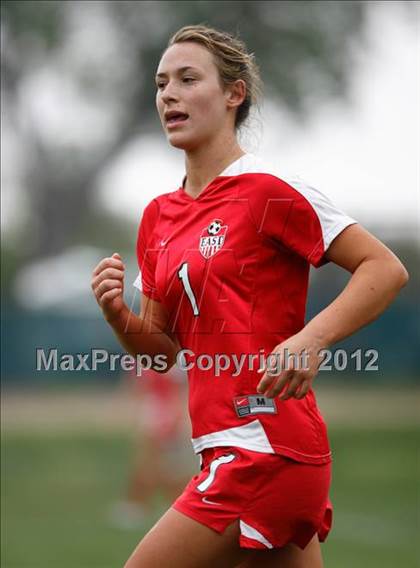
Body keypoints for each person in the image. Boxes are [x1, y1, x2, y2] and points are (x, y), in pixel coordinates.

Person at [91, 24, 409, 568]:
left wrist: (312, 339)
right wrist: (117, 313)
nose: (169, 93)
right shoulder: (157, 218)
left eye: (189, 79)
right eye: (161, 82)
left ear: (234, 94)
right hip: (230, 446)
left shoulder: (268, 190)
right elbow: (161, 352)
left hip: (263, 444)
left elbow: (385, 268)